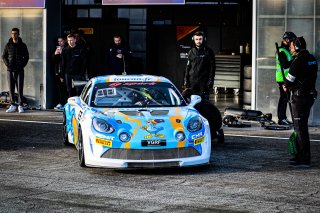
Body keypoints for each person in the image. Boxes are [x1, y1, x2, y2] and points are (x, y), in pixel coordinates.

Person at [283, 36, 318, 167]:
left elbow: (289, 79)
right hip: (309, 97)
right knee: (301, 127)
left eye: (291, 47)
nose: (290, 49)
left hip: (299, 98)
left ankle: (304, 158)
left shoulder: (299, 61)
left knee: (300, 128)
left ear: (297, 47)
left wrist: (286, 85)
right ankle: (300, 156)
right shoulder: (312, 59)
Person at [2, 27, 29, 113]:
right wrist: (8, 64)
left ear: (18, 34)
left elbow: (27, 57)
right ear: (11, 34)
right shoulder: (8, 45)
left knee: (20, 88)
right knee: (11, 88)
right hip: (10, 70)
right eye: (12, 33)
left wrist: (22, 65)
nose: (14, 35)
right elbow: (4, 56)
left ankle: (20, 105)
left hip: (20, 70)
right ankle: (13, 105)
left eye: (16, 33)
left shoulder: (23, 45)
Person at [184, 31, 216, 100]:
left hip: (204, 81)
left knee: (204, 102)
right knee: (192, 101)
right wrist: (186, 79)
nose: (198, 41)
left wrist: (211, 80)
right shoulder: (191, 52)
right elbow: (188, 67)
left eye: (200, 39)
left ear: (203, 39)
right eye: (197, 39)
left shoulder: (208, 51)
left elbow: (212, 67)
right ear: (194, 40)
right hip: (192, 81)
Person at [276, 31, 296, 125]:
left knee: (285, 98)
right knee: (284, 98)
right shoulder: (281, 51)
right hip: (282, 78)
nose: (292, 43)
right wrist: (294, 60)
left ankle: (283, 117)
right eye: (291, 41)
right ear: (287, 40)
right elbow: (285, 65)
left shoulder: (286, 50)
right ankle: (281, 118)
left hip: (286, 78)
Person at [61, 33, 87, 98]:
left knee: (78, 89)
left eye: (71, 40)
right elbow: (63, 63)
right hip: (68, 73)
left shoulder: (80, 49)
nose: (70, 42)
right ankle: (70, 103)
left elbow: (84, 62)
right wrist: (62, 75)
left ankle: (79, 104)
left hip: (77, 73)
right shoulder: (65, 50)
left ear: (75, 40)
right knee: (69, 90)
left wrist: (82, 73)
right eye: (68, 40)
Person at [52, 36, 67, 110]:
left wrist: (62, 53)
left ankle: (63, 103)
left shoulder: (66, 49)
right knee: (59, 88)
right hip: (57, 71)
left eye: (61, 41)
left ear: (64, 41)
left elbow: (65, 61)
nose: (60, 43)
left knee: (65, 88)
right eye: (58, 41)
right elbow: (53, 61)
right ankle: (60, 102)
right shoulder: (57, 49)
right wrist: (55, 54)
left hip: (64, 72)